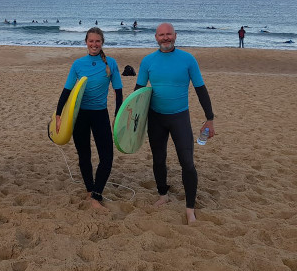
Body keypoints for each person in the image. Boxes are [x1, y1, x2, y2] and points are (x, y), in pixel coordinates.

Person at [134, 23, 215, 224]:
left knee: (187, 163)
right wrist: (131, 120)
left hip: (179, 117)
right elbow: (137, 92)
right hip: (155, 118)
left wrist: (210, 118)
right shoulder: (148, 61)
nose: (165, 38)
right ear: (155, 37)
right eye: (161, 35)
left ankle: (190, 208)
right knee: (158, 159)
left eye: (168, 34)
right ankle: (163, 194)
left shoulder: (188, 59)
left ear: (175, 36)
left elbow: (200, 89)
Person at [55, 27, 123, 210]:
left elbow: (118, 92)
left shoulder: (111, 63)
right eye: (91, 41)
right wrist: (58, 115)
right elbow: (67, 91)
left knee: (107, 157)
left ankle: (96, 195)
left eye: (97, 41)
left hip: (100, 113)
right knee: (84, 155)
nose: (94, 44)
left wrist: (118, 116)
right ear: (86, 42)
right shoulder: (78, 64)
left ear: (102, 43)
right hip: (80, 115)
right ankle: (89, 191)